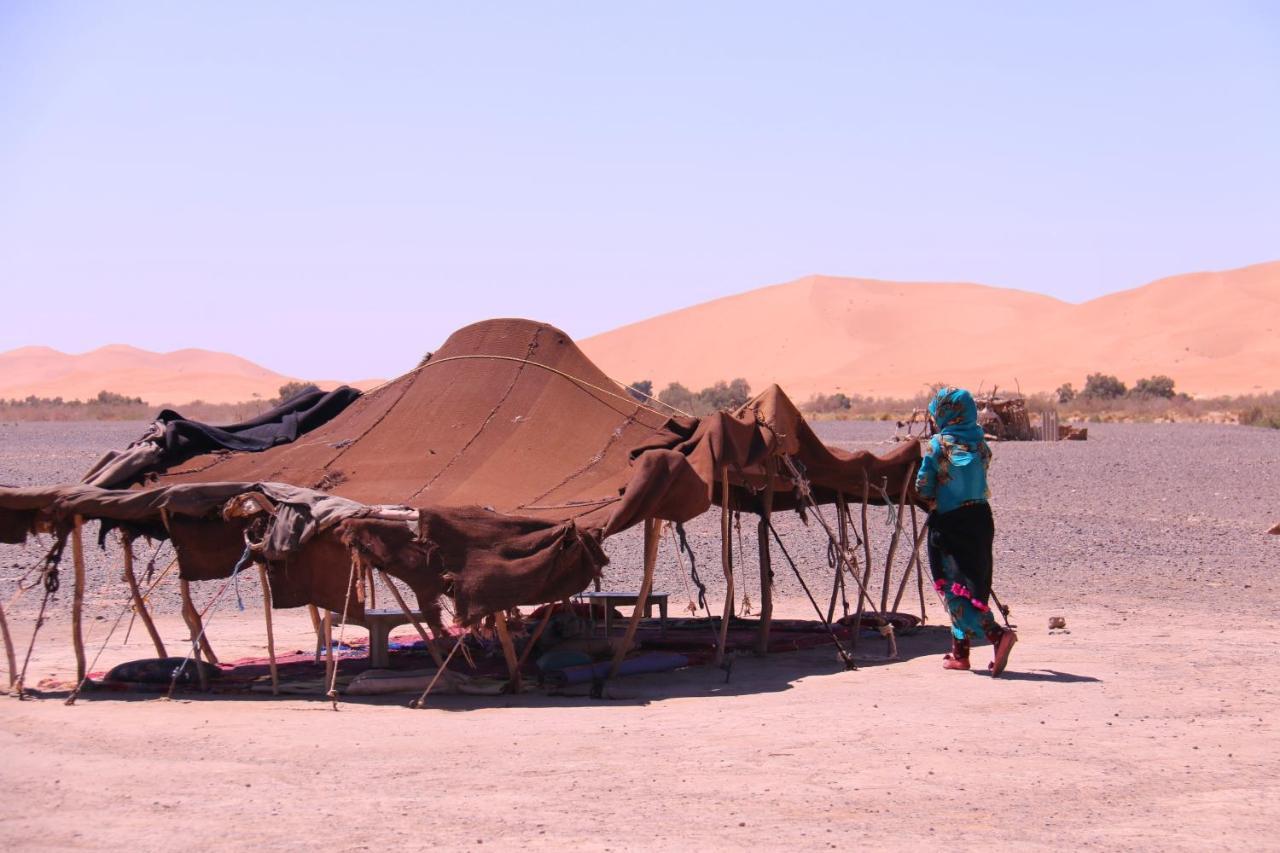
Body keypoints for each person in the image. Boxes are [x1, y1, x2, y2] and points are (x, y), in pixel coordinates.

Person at [915, 387, 1017, 676]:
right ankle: (960, 654)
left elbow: (922, 487)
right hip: (981, 519)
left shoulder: (938, 445)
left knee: (953, 584)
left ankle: (997, 635)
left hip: (951, 521)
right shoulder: (981, 444)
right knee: (972, 581)